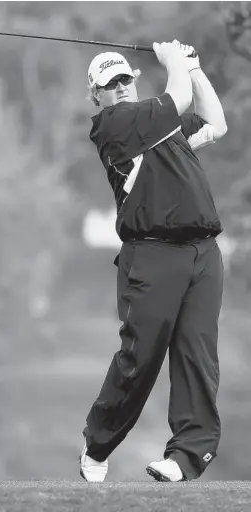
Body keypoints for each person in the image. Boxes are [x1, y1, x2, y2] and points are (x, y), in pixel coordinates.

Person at [79, 40, 227, 483]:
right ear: (96, 95)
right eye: (110, 84)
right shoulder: (113, 127)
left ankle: (187, 455)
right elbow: (177, 97)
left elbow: (216, 123)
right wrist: (173, 63)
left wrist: (194, 69)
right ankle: (98, 443)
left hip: (203, 252)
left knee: (197, 355)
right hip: (152, 254)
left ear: (134, 82)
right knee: (140, 356)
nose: (121, 88)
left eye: (126, 79)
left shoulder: (162, 124)